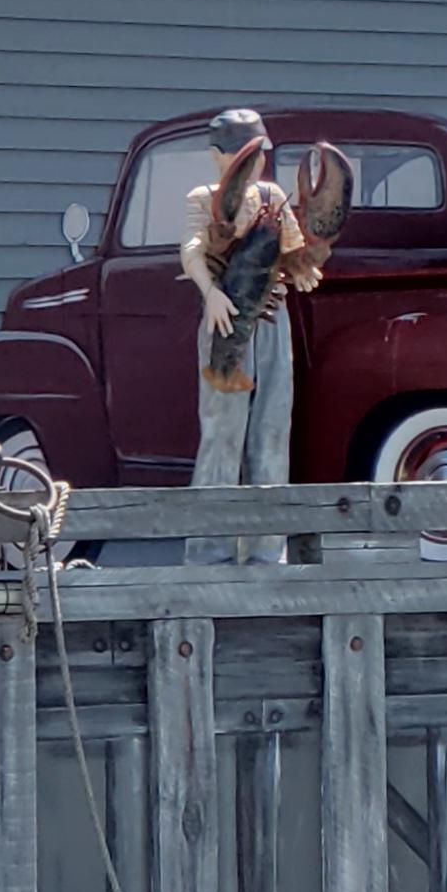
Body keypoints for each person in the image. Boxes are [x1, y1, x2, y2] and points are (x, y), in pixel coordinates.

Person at [182, 107, 323, 561]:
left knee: (271, 432)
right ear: (217, 156)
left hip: (271, 320)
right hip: (226, 322)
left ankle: (267, 550)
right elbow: (191, 250)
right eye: (245, 153)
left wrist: (304, 269)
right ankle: (209, 551)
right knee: (222, 436)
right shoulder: (203, 197)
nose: (256, 162)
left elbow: (295, 250)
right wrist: (210, 293)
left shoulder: (273, 197)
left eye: (261, 152)